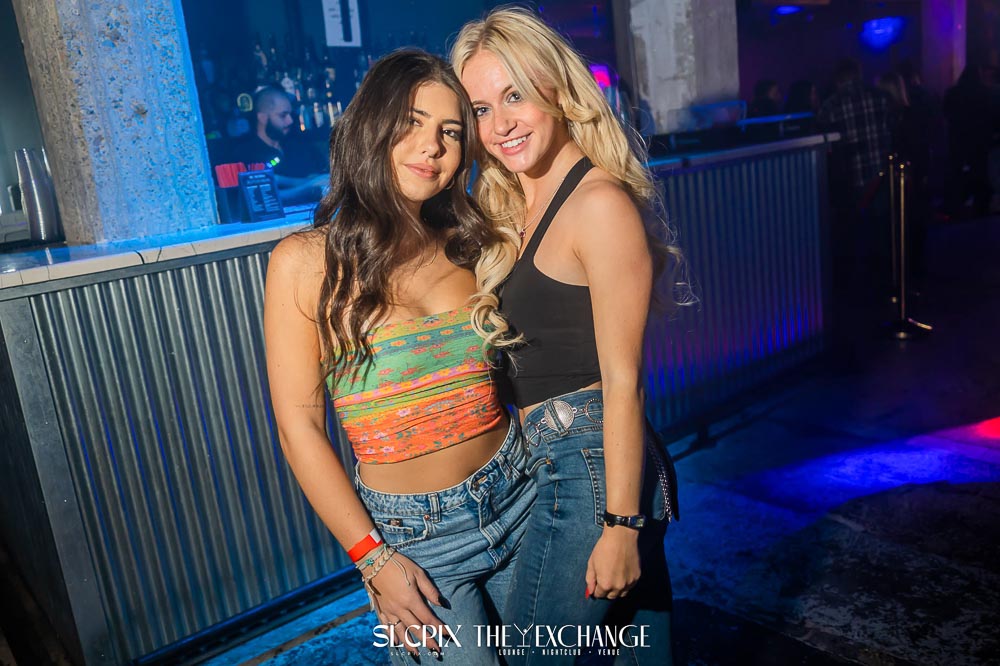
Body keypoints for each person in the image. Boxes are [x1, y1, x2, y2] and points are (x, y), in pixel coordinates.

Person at [263, 50, 534, 665]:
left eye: (451, 131)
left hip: (521, 492)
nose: (432, 146)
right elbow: (298, 428)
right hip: (417, 540)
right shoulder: (304, 262)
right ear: (372, 125)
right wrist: (373, 558)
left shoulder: (472, 242)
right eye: (412, 121)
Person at [452, 8, 682, 665]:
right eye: (482, 109)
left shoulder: (597, 205)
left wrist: (620, 525)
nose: (500, 124)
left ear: (555, 87)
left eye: (515, 95)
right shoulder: (515, 201)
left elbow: (624, 383)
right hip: (558, 462)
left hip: (591, 471)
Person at [239, 87, 327, 204]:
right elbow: (261, 197)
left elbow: (323, 179)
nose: (290, 121)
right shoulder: (247, 154)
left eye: (290, 114)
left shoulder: (300, 145)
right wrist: (310, 185)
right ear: (262, 118)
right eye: (283, 115)